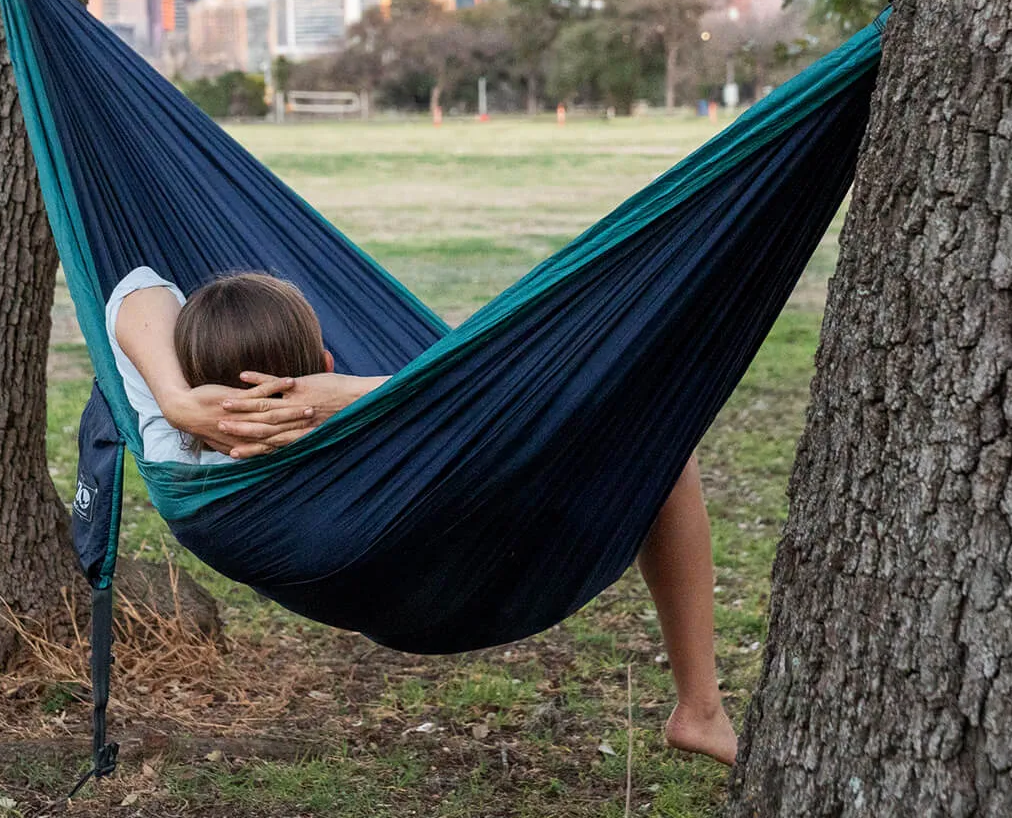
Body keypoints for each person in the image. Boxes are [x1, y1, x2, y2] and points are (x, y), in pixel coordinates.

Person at [109, 267, 740, 765]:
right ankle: (699, 707)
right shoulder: (386, 436)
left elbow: (132, 290)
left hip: (385, 576)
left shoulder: (179, 454)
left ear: (195, 382)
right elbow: (521, 395)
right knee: (662, 459)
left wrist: (175, 401)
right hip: (481, 561)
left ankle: (700, 714)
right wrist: (363, 397)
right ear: (326, 365)